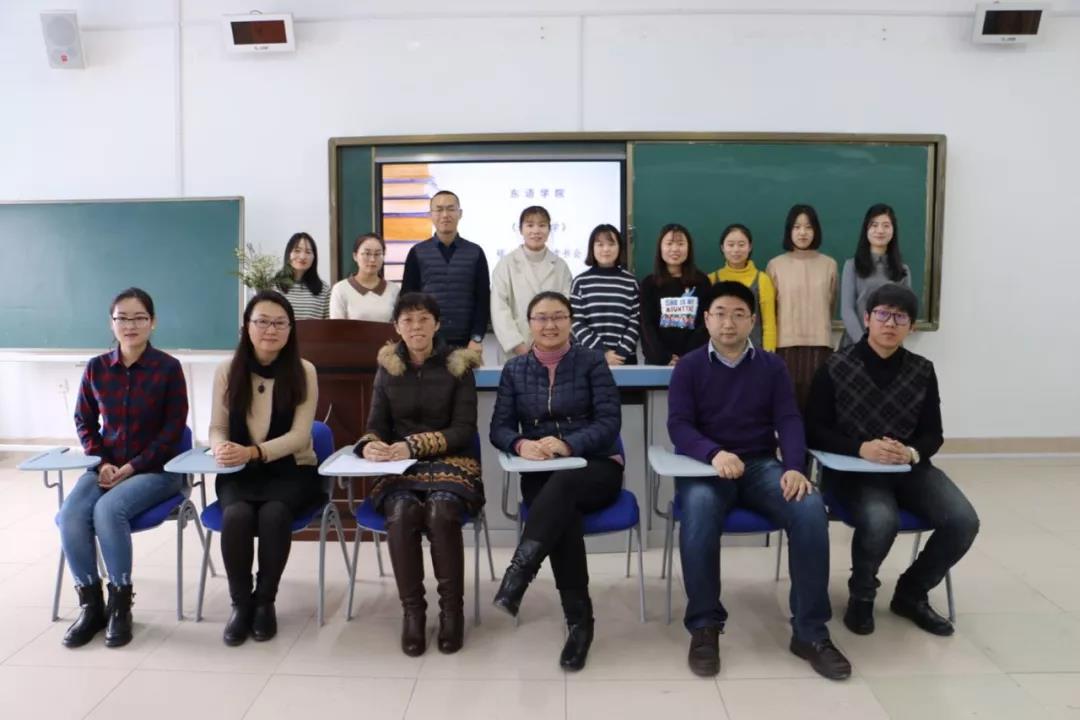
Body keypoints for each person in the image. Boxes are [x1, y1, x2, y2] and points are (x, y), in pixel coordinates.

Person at [667, 281, 851, 681]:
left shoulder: (771, 366)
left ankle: (810, 632)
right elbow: (679, 425)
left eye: (738, 314)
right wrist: (715, 453)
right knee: (698, 511)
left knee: (809, 508)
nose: (728, 323)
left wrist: (795, 467)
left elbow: (789, 418)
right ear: (706, 319)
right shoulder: (689, 367)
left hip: (760, 465)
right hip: (706, 468)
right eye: (720, 314)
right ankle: (704, 626)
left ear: (752, 320)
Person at [806, 283, 979, 637]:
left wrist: (911, 452)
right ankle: (862, 594)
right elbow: (813, 430)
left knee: (963, 521)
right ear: (867, 319)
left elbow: (933, 434)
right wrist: (860, 448)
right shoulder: (835, 366)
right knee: (881, 519)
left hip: (908, 469)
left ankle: (911, 593)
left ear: (911, 327)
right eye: (882, 314)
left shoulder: (922, 370)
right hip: (852, 471)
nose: (890, 323)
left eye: (900, 318)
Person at [490, 291, 621, 672]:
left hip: (596, 465)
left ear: (570, 321)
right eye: (542, 318)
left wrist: (569, 444)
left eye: (559, 317)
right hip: (539, 470)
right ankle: (580, 623)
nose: (550, 325)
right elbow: (499, 428)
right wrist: (521, 444)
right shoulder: (514, 370)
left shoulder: (592, 362)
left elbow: (609, 422)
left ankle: (519, 575)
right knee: (563, 516)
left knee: (562, 491)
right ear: (529, 324)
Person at [355, 292, 483, 656]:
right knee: (401, 512)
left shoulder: (459, 365)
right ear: (396, 327)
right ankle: (413, 612)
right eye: (408, 320)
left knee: (441, 511)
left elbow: (464, 429)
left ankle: (451, 612)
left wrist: (414, 445)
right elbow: (375, 425)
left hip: (453, 461)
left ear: (437, 324)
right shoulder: (388, 367)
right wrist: (369, 446)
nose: (416, 327)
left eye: (424, 319)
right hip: (400, 467)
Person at [61, 288, 188, 648]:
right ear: (111, 323)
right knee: (71, 514)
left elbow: (173, 431)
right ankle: (91, 605)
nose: (130, 325)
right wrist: (102, 462)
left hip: (158, 470)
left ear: (153, 322)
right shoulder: (97, 368)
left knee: (108, 510)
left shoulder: (168, 369)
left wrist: (132, 467)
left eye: (139, 318)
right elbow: (84, 422)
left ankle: (120, 605)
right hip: (106, 467)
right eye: (122, 318)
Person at [209, 290, 321, 646]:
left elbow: (300, 436)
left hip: (290, 469)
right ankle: (241, 604)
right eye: (262, 322)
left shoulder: (304, 371)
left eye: (279, 323)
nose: (270, 330)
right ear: (247, 326)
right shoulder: (228, 370)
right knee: (237, 516)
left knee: (274, 514)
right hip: (240, 472)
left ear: (290, 329)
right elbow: (217, 427)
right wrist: (221, 447)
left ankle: (265, 602)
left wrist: (253, 452)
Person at [765, 204, 838, 411]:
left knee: (818, 406)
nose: (802, 232)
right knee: (786, 405)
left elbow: (831, 303)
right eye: (797, 227)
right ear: (789, 231)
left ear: (816, 230)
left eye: (808, 227)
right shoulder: (775, 265)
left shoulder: (829, 264)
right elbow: (771, 310)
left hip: (820, 345)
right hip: (785, 346)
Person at [401, 190, 490, 353]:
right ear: (430, 214)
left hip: (466, 344)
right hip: (427, 343)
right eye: (439, 209)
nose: (445, 215)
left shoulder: (475, 252)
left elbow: (483, 300)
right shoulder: (417, 252)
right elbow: (407, 299)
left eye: (450, 209)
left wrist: (477, 337)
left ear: (460, 213)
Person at [490, 206, 573, 361]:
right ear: (520, 230)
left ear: (549, 230)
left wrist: (554, 342)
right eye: (530, 225)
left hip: (553, 348)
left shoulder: (560, 266)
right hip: (517, 350)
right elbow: (499, 309)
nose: (536, 231)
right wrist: (518, 346)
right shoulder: (506, 264)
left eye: (542, 225)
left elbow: (567, 309)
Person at [839, 204, 912, 347]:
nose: (880, 230)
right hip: (856, 344)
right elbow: (847, 311)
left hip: (890, 346)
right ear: (866, 229)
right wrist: (865, 344)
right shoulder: (852, 266)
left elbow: (905, 312)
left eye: (886, 225)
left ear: (893, 230)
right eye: (874, 225)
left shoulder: (903, 270)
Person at [639, 223, 711, 365]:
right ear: (660, 247)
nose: (675, 249)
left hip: (694, 361)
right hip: (658, 362)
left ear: (688, 248)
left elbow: (705, 323)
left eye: (680, 244)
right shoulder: (649, 284)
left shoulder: (702, 281)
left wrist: (688, 357)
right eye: (669, 243)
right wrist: (663, 357)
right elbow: (646, 325)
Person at [570, 223, 641, 366]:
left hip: (624, 359)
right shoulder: (580, 282)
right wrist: (602, 353)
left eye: (611, 244)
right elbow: (576, 322)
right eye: (600, 244)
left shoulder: (631, 282)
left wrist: (620, 353)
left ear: (619, 247)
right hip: (588, 359)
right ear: (592, 248)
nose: (606, 249)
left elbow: (636, 321)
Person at [707, 223, 777, 351]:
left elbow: (769, 324)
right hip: (718, 351)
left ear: (750, 247)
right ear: (722, 247)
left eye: (741, 244)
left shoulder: (762, 280)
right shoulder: (711, 280)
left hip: (753, 352)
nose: (736, 250)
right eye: (730, 245)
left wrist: (769, 355)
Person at [329, 232, 400, 321]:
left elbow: (398, 325)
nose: (372, 259)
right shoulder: (340, 289)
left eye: (377, 254)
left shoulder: (393, 289)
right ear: (355, 256)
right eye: (367, 253)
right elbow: (337, 326)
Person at [278, 232, 331, 320]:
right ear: (288, 254)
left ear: (314, 257)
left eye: (308, 252)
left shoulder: (324, 290)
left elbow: (328, 325)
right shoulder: (274, 287)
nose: (302, 257)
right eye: (297, 251)